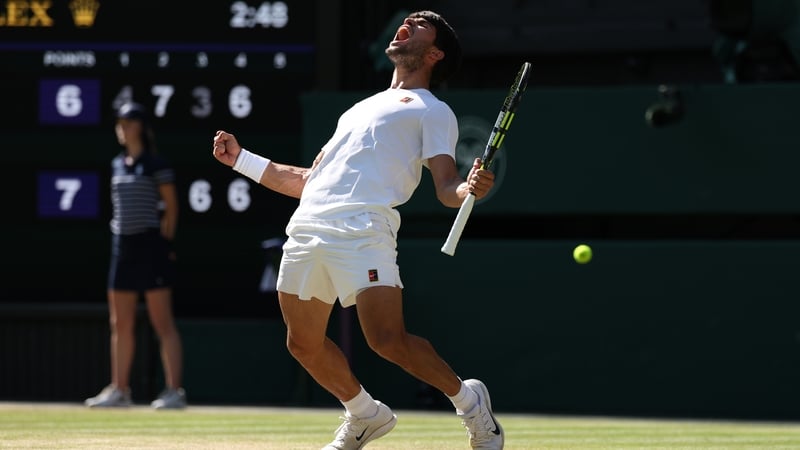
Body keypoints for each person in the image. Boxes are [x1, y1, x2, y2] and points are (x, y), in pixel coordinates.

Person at [212, 10, 503, 449]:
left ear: (435, 53)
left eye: (421, 24)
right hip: (309, 225)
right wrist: (242, 160)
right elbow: (307, 180)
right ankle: (365, 414)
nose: (408, 22)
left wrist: (468, 188)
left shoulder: (433, 110)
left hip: (365, 228)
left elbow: (446, 186)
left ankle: (471, 404)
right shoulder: (358, 109)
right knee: (303, 344)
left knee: (388, 341)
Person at [85, 101, 187, 410]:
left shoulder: (157, 165)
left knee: (162, 321)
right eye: (120, 123)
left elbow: (171, 208)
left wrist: (166, 244)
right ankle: (120, 389)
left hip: (151, 247)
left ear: (140, 127)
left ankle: (174, 391)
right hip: (122, 248)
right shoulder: (116, 164)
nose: (123, 128)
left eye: (128, 122)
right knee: (120, 322)